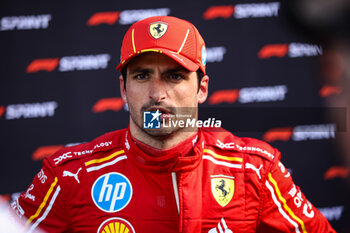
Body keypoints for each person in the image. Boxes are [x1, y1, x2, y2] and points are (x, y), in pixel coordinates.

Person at [11, 16, 335, 233]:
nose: (157, 93)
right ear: (124, 89)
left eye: (174, 76)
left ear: (202, 88)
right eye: (141, 76)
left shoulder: (254, 169)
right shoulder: (68, 175)